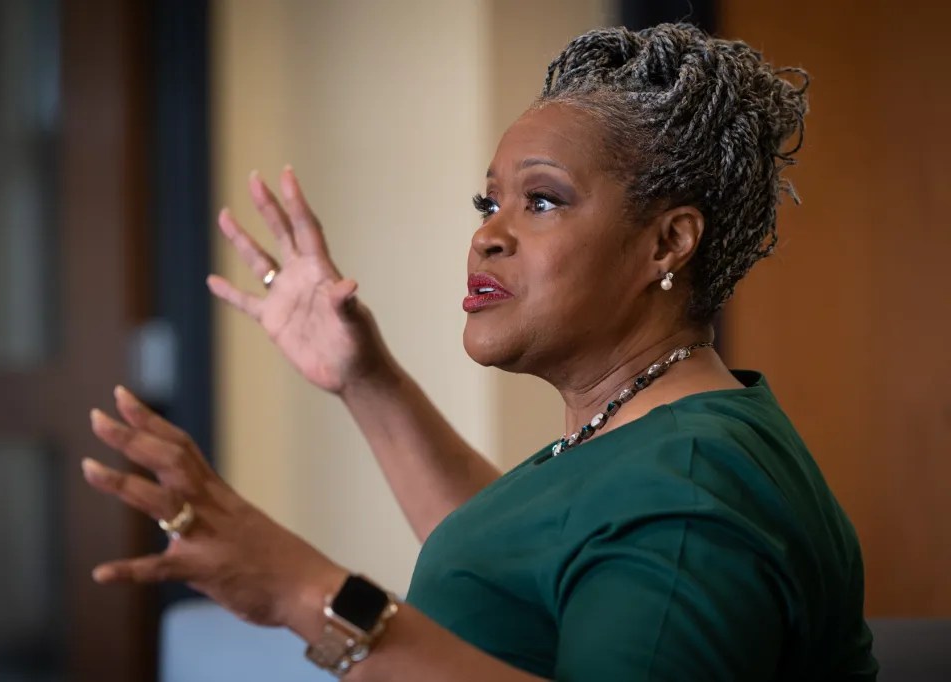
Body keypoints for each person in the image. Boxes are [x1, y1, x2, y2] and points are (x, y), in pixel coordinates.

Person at [82, 24, 878, 680]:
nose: (488, 234)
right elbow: (518, 562)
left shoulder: (688, 498)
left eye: (541, 200)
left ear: (667, 243)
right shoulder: (647, 438)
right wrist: (367, 380)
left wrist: (303, 592)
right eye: (488, 201)